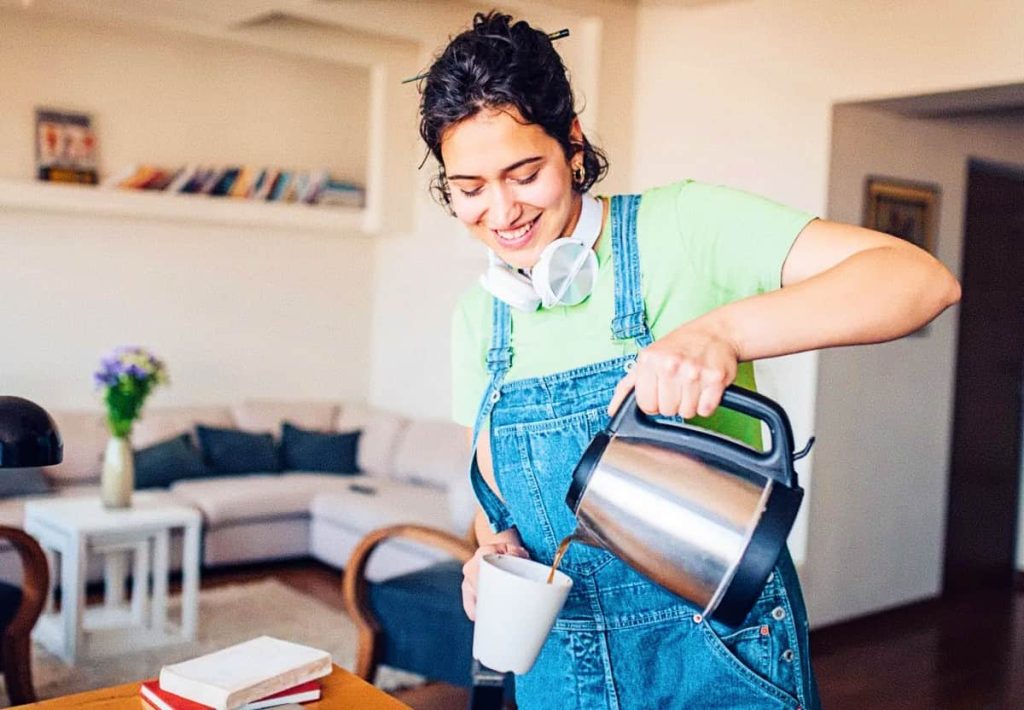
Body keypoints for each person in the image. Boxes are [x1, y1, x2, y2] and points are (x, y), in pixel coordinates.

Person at [418, 12, 960, 710]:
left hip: (716, 652)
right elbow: (496, 504)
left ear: (572, 143)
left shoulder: (685, 226)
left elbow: (919, 281)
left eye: (525, 173)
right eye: (468, 189)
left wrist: (723, 333)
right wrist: (490, 556)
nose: (503, 212)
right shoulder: (479, 315)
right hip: (558, 660)